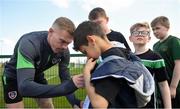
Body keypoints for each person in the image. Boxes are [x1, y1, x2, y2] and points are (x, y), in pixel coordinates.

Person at [1, 17, 84, 108]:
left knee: (47, 105)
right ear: (50, 32)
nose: (64, 47)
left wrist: (74, 102)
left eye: (68, 43)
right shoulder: (30, 43)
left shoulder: (64, 52)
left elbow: (65, 79)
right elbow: (24, 87)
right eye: (62, 41)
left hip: (37, 75)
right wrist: (67, 87)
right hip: (13, 77)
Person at [73, 21, 154, 108]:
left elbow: (99, 105)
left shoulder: (111, 65)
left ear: (91, 40)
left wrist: (86, 74)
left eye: (85, 51)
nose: (88, 56)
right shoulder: (122, 52)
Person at [129, 22, 171, 108]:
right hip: (130, 104)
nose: (140, 34)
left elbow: (163, 85)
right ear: (130, 38)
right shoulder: (127, 58)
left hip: (149, 105)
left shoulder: (155, 57)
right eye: (136, 32)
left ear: (149, 38)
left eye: (144, 33)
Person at [151, 16, 180, 108]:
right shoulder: (155, 46)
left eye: (157, 28)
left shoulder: (174, 41)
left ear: (167, 28)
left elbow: (178, 64)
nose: (155, 31)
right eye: (153, 29)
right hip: (161, 88)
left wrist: (173, 87)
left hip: (176, 88)